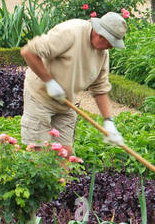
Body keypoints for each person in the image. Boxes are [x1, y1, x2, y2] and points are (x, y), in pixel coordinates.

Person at [19, 12, 127, 155]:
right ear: (100, 34)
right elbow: (28, 52)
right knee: (38, 150)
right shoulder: (70, 32)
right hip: (40, 96)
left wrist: (109, 121)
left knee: (66, 153)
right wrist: (49, 81)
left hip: (65, 102)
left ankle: (62, 178)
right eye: (110, 42)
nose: (111, 47)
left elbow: (100, 88)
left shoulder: (103, 53)